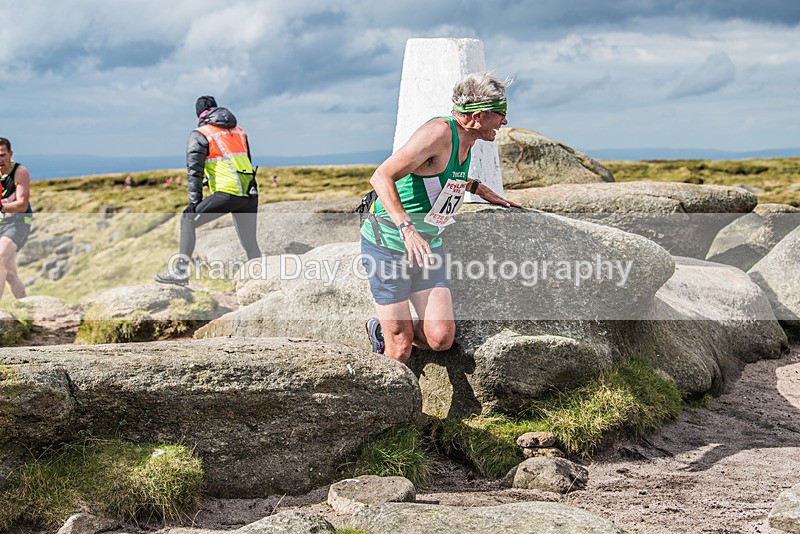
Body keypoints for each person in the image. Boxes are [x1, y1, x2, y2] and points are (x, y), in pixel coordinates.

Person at [361, 72, 522, 364]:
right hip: (389, 243)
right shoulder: (438, 133)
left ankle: (394, 328)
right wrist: (406, 228)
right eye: (501, 114)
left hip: (428, 244)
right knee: (400, 348)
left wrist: (476, 187)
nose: (505, 122)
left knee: (441, 338)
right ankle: (387, 344)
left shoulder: (469, 138)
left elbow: (437, 174)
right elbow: (381, 176)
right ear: (479, 115)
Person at [155, 96, 260, 286]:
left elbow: (194, 172)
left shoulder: (200, 134)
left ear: (199, 114)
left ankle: (180, 273)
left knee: (187, 221)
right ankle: (263, 280)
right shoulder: (239, 131)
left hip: (228, 192)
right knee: (250, 243)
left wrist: (194, 203)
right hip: (249, 192)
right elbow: (244, 161)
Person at [0, 137, 32, 301]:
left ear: (10, 154)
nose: (0, 160)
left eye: (2, 155)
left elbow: (21, 204)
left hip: (18, 222)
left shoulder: (20, 172)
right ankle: (26, 308)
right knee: (10, 274)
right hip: (1, 223)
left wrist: (2, 207)